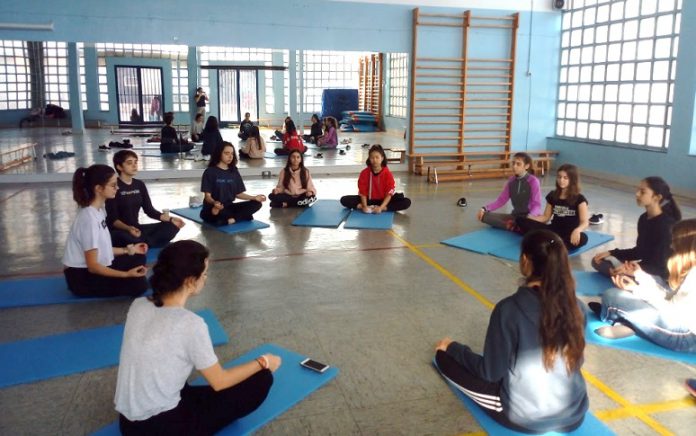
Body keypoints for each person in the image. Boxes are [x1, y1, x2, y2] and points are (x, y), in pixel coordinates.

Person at [115, 240, 280, 435]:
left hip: (127, 423)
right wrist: (263, 362)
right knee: (262, 379)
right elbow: (220, 381)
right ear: (190, 281)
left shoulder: (139, 304)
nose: (206, 279)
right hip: (158, 429)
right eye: (204, 274)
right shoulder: (190, 324)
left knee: (183, 380)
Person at [434, 229, 588, 433]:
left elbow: (490, 373)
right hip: (574, 413)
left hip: (523, 416)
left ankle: (445, 353)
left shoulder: (508, 310)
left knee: (443, 358)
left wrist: (454, 348)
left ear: (525, 260)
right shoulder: (578, 307)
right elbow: (577, 361)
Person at [589, 218, 696, 351]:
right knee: (626, 291)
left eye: (675, 243)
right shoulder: (644, 220)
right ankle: (631, 323)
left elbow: (671, 311)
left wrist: (636, 290)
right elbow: (669, 297)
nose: (671, 247)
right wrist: (639, 274)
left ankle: (619, 320)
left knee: (611, 296)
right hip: (678, 323)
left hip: (684, 336)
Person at [62, 164, 149, 298]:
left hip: (89, 270)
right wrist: (126, 274)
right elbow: (93, 266)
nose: (117, 188)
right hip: (81, 278)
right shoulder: (89, 219)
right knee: (139, 285)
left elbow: (102, 249)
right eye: (113, 185)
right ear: (98, 188)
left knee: (138, 256)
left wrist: (129, 250)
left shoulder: (99, 210)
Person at [592, 177, 681, 281]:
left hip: (660, 275)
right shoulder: (643, 218)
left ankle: (620, 276)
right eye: (638, 190)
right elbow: (639, 252)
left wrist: (633, 270)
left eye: (642, 192)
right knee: (597, 260)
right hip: (644, 267)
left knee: (620, 274)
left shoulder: (666, 225)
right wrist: (612, 253)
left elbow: (661, 266)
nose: (637, 194)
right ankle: (618, 275)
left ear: (657, 197)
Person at [106, 150, 185, 248]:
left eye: (136, 162)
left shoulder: (139, 184)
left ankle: (142, 244)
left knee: (171, 226)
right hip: (120, 231)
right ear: (119, 167)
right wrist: (128, 228)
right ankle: (146, 242)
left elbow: (150, 211)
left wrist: (171, 219)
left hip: (136, 229)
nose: (134, 166)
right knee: (124, 237)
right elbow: (113, 220)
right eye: (129, 163)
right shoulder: (114, 186)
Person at [516, 164, 589, 250]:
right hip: (553, 231)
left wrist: (577, 230)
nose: (561, 180)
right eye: (559, 177)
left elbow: (585, 222)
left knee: (584, 238)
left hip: (569, 233)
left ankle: (553, 245)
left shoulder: (580, 199)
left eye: (565, 178)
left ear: (572, 180)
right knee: (520, 220)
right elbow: (546, 217)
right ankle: (552, 243)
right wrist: (531, 218)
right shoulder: (552, 195)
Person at [200, 142, 266, 225]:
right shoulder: (210, 172)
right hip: (214, 207)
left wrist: (254, 198)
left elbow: (238, 194)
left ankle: (231, 219)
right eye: (226, 153)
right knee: (214, 214)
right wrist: (215, 203)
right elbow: (207, 197)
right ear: (219, 154)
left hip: (228, 207)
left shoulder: (233, 171)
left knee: (256, 204)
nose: (230, 156)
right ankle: (240, 217)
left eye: (232, 153)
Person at [477, 152, 542, 231]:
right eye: (513, 163)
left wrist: (531, 216)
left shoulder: (533, 181)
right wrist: (484, 208)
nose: (514, 166)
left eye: (518, 164)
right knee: (484, 216)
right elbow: (501, 200)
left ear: (527, 166)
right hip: (515, 216)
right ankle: (514, 226)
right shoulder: (511, 181)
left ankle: (514, 226)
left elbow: (537, 205)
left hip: (529, 218)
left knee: (527, 224)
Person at [340, 144, 411, 213]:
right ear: (369, 158)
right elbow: (362, 192)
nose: (374, 160)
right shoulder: (364, 173)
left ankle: (383, 208)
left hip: (382, 201)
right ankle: (367, 207)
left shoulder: (387, 174)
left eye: (377, 157)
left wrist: (381, 208)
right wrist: (364, 206)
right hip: (368, 200)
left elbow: (389, 194)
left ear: (382, 158)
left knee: (406, 201)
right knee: (344, 200)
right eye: (372, 158)